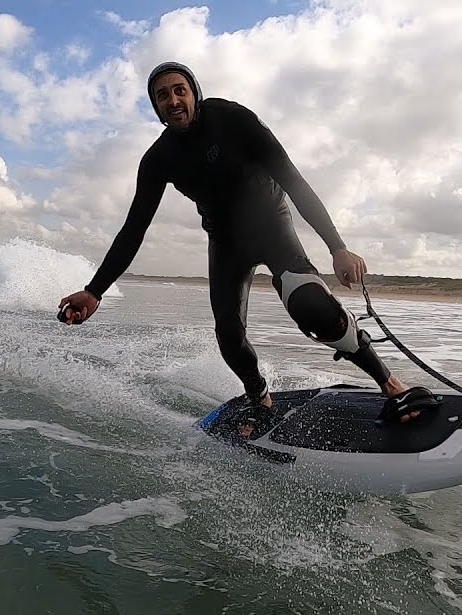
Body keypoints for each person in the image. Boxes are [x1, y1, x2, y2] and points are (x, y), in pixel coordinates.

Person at [57, 61, 440, 439]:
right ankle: (260, 399)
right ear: (156, 107)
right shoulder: (159, 159)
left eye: (179, 90)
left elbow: (292, 179)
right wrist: (94, 291)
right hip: (226, 243)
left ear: (194, 94)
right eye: (162, 96)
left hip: (271, 224)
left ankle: (390, 383)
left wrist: (337, 247)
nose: (172, 100)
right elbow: (133, 230)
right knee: (229, 334)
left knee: (311, 307)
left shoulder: (232, 119)